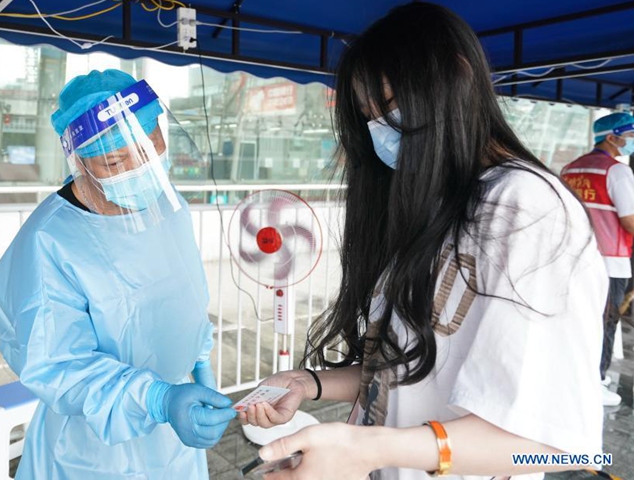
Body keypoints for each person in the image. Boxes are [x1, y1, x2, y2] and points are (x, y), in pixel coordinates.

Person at [237, 3, 606, 480]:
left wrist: (362, 450)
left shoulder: (525, 210)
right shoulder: (433, 208)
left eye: (389, 106)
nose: (379, 131)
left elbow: (557, 448)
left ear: (457, 76)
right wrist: (309, 384)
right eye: (368, 116)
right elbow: (406, 370)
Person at [0, 69, 236, 479]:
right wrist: (157, 399)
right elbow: (58, 364)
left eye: (152, 148)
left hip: (173, 444)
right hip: (88, 452)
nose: (142, 169)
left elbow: (184, 290)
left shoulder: (165, 202)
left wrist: (198, 357)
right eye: (117, 160)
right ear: (80, 160)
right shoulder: (48, 242)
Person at [562, 112, 634, 408]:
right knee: (606, 323)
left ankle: (572, 378)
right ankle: (596, 382)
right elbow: (629, 220)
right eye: (628, 136)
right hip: (610, 261)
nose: (630, 142)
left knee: (576, 320)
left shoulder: (570, 169)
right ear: (611, 136)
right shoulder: (617, 171)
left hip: (575, 258)